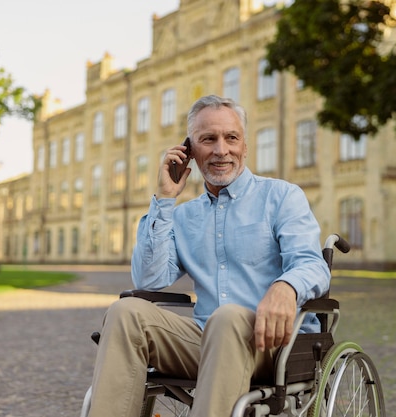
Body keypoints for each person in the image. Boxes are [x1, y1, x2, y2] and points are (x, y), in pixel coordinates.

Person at [87, 95, 331, 417]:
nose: (221, 150)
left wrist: (286, 287)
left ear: (245, 145)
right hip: (204, 342)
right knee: (125, 312)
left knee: (229, 317)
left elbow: (312, 264)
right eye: (208, 139)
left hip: (274, 344)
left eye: (231, 138)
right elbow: (149, 277)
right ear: (189, 150)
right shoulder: (183, 217)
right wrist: (164, 198)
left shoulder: (281, 197)